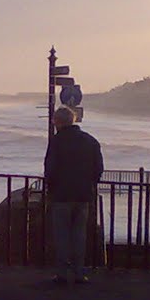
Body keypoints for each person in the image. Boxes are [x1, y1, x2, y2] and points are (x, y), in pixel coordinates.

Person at [44, 106, 104, 284]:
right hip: (83, 194)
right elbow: (98, 168)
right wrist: (90, 184)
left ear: (58, 122)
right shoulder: (90, 141)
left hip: (61, 195)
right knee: (79, 235)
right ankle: (79, 272)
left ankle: (62, 273)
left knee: (62, 235)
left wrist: (51, 188)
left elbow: (50, 168)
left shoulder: (57, 141)